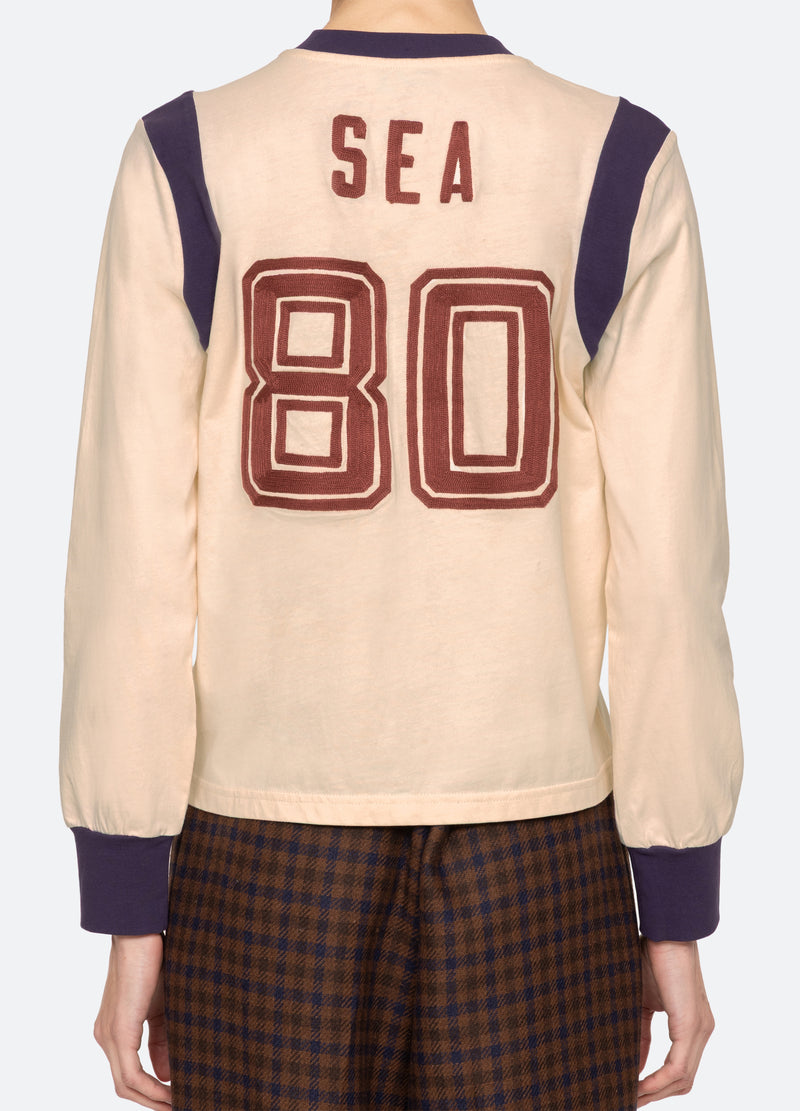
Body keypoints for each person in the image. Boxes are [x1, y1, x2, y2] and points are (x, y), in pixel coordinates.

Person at [58, 1, 744, 1108]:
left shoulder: (190, 153)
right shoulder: (615, 156)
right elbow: (669, 572)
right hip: (538, 849)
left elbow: (127, 562)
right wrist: (673, 899)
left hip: (262, 850)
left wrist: (130, 896)